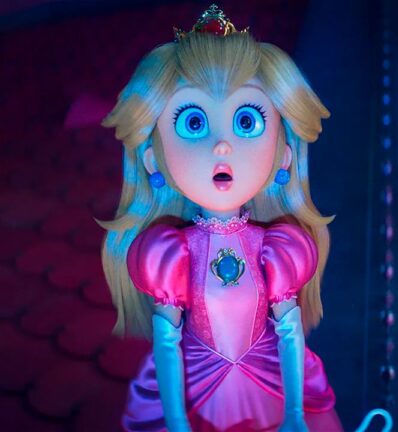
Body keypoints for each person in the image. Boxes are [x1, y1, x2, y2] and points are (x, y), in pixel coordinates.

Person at [99, 5, 341, 431]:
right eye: (193, 122)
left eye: (246, 121)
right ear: (153, 160)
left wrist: (295, 414)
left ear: (284, 155)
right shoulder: (170, 255)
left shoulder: (277, 249)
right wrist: (177, 421)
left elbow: (290, 334)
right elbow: (167, 345)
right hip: (197, 392)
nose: (222, 145)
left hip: (270, 383)